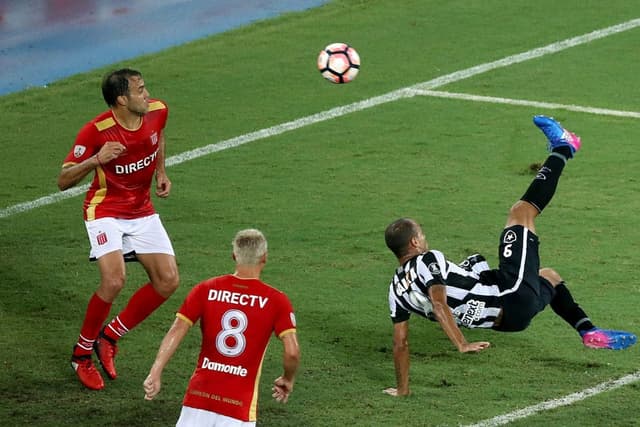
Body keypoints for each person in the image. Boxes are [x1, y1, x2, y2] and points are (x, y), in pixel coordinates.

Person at [383, 115, 637, 397]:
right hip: (510, 292)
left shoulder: (395, 290)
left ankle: (588, 331)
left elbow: (400, 344)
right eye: (423, 234)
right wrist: (461, 343)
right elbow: (439, 302)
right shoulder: (426, 260)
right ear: (416, 241)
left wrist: (403, 389)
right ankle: (564, 147)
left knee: (550, 278)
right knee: (521, 212)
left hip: (511, 321)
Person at [58, 68, 179, 390]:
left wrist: (161, 172)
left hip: (141, 210)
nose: (147, 94)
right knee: (113, 280)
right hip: (105, 211)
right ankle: (81, 355)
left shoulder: (157, 111)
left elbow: (159, 133)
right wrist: (95, 160)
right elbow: (63, 179)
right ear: (122, 99)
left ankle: (109, 337)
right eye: (140, 90)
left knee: (168, 281)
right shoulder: (95, 132)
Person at [143, 228, 300, 427]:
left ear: (234, 255)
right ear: (264, 258)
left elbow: (177, 329)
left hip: (198, 399)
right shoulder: (276, 300)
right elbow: (292, 352)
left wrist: (155, 371)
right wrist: (288, 378)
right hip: (238, 407)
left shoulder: (206, 288)